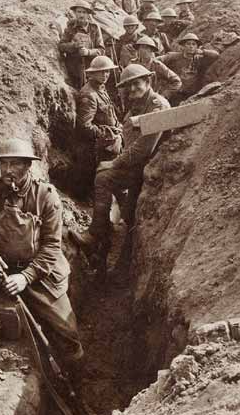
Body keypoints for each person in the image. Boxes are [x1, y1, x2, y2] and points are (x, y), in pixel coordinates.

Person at [0, 138, 104, 415]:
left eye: (15, 164)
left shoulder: (46, 196)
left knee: (69, 337)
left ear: (28, 166)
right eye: (4, 164)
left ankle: (82, 396)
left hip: (40, 274)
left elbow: (51, 248)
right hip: (1, 268)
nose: (8, 170)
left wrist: (25, 277)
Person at [69, 65, 170, 269]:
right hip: (140, 164)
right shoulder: (139, 104)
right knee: (126, 211)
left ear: (148, 82)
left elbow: (144, 147)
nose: (132, 89)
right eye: (128, 86)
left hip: (152, 166)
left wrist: (115, 162)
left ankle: (97, 236)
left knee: (103, 178)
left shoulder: (157, 105)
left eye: (136, 84)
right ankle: (107, 247)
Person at [75, 56, 123, 196]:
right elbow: (85, 126)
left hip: (109, 142)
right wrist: (108, 133)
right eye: (101, 72)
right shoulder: (89, 94)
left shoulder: (101, 88)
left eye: (107, 71)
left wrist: (118, 126)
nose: (105, 75)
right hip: (97, 148)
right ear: (92, 73)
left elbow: (109, 113)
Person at [157, 33, 219, 106]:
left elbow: (216, 55)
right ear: (183, 46)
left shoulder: (199, 59)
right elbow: (156, 61)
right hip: (175, 94)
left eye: (193, 44)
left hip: (191, 95)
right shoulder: (174, 56)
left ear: (197, 47)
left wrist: (203, 51)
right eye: (188, 44)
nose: (191, 46)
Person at [58, 0, 105, 89]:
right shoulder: (70, 27)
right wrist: (74, 45)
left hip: (91, 67)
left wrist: (88, 52)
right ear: (75, 13)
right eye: (79, 12)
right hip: (74, 68)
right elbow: (61, 46)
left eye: (84, 12)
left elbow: (101, 50)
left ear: (88, 14)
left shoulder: (94, 28)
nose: (81, 15)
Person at [131, 35, 181, 101]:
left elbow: (177, 81)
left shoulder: (157, 65)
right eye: (142, 47)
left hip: (151, 99)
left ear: (152, 50)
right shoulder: (132, 63)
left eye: (147, 48)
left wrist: (163, 96)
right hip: (136, 99)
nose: (144, 51)